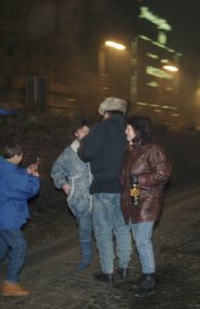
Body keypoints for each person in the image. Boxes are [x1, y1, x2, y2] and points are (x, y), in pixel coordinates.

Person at [0, 143, 40, 297]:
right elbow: (28, 190)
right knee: (19, 246)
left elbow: (13, 179)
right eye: (21, 156)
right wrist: (35, 178)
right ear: (16, 156)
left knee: (0, 247)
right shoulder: (11, 175)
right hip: (6, 218)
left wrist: (26, 172)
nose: (22, 158)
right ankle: (11, 283)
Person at [78, 97, 131, 283]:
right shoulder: (128, 130)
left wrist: (82, 147)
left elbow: (86, 154)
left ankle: (107, 271)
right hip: (124, 187)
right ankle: (124, 267)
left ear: (106, 112)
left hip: (103, 186)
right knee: (123, 228)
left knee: (103, 230)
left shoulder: (100, 129)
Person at [120, 116, 171, 297]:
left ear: (138, 131)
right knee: (139, 240)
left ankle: (149, 278)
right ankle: (147, 274)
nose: (125, 131)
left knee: (142, 241)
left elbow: (163, 174)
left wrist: (139, 179)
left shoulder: (153, 150)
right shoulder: (131, 150)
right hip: (132, 202)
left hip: (147, 203)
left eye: (128, 128)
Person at [51, 121, 94, 269]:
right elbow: (57, 168)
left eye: (88, 131)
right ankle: (86, 258)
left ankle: (107, 258)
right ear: (76, 134)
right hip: (79, 197)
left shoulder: (97, 148)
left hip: (98, 195)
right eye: (83, 131)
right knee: (84, 228)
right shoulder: (69, 152)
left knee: (103, 227)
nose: (87, 134)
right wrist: (63, 184)